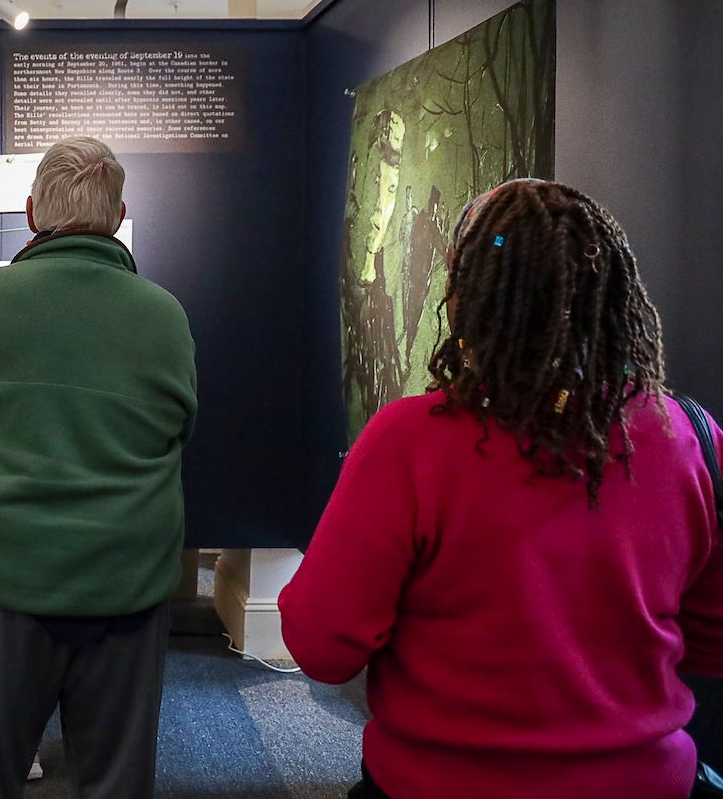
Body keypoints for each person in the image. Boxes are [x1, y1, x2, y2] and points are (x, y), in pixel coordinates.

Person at [280, 179, 723, 799]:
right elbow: (710, 643)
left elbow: (322, 647)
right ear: (610, 294)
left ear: (465, 301)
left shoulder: (409, 442)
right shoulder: (691, 438)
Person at [0, 136, 198, 799]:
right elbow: (182, 429)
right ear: (118, 215)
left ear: (31, 212)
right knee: (116, 784)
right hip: (127, 582)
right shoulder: (164, 315)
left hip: (6, 577)